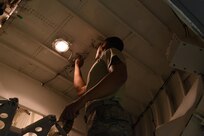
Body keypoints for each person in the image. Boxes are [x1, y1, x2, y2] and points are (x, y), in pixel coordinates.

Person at [59, 36, 134, 136]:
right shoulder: (99, 73)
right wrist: (77, 66)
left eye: (99, 46)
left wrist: (79, 103)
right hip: (96, 116)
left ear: (103, 45)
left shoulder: (111, 51)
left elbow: (119, 76)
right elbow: (81, 90)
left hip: (107, 112)